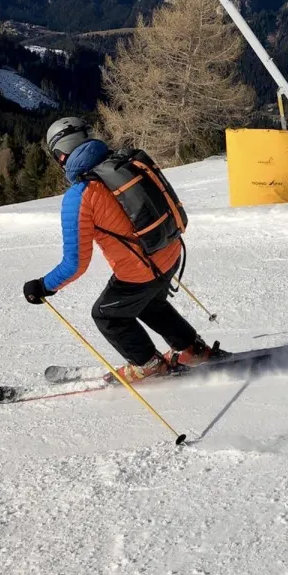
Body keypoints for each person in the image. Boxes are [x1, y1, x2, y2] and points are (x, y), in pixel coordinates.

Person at [22, 117, 224, 381]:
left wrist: (43, 286)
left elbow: (75, 264)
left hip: (141, 270)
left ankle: (149, 364)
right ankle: (193, 350)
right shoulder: (125, 162)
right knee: (150, 303)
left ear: (61, 156)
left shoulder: (81, 195)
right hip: (170, 251)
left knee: (107, 315)